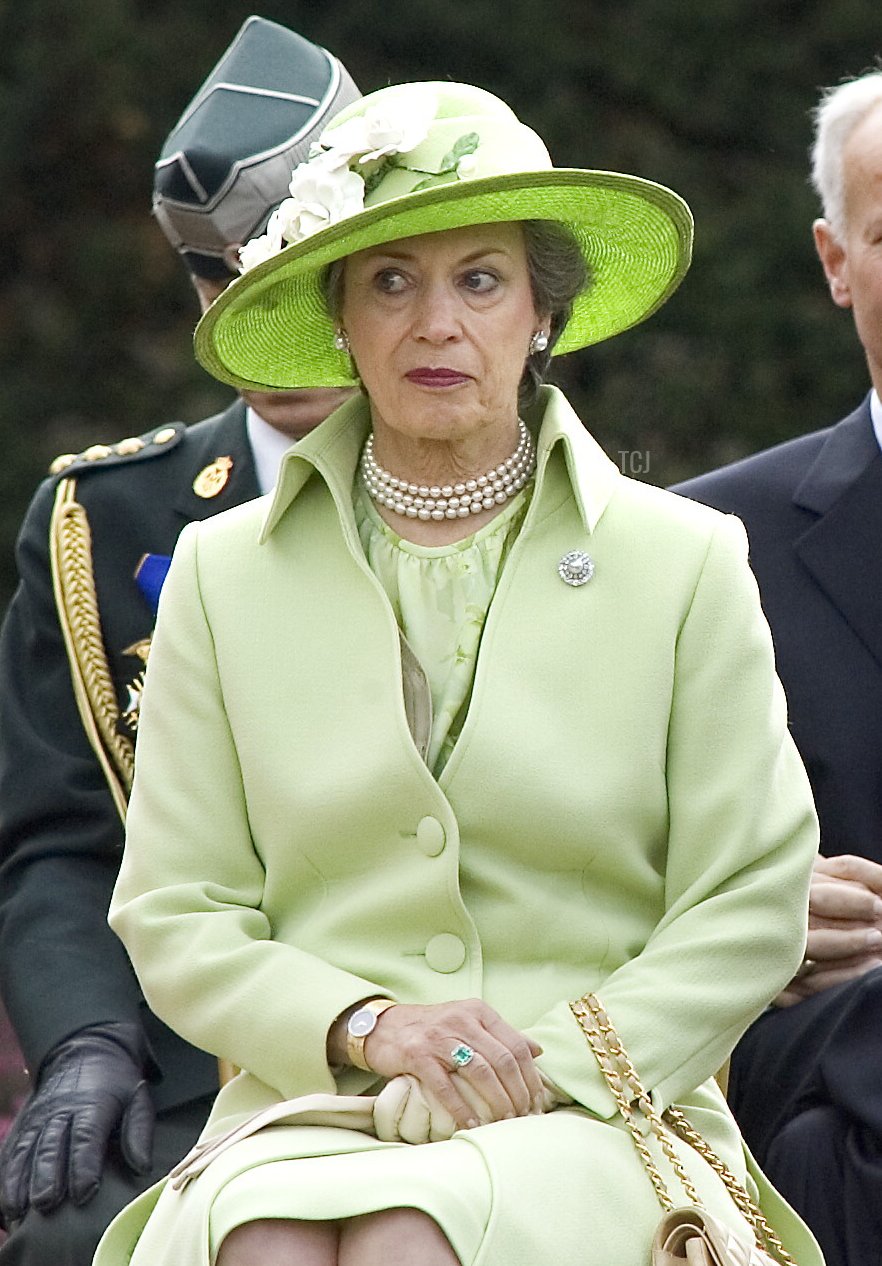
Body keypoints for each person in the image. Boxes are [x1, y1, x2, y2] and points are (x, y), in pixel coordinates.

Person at [93, 81, 822, 1266]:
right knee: (262, 1242)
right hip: (311, 1104)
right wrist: (367, 1026)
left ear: (542, 314)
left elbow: (748, 902)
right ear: (341, 314)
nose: (437, 324)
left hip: (602, 1106)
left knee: (407, 1239)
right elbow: (178, 909)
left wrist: (543, 1064)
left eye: (480, 280)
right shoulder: (223, 575)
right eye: (391, 280)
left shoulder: (685, 561)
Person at [0, 17, 359, 1266]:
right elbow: (56, 841)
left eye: (290, 265)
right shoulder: (105, 522)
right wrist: (85, 1044)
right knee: (65, 1236)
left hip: (462, 1026)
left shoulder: (524, 500)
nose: (249, 312)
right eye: (218, 279)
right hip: (192, 1066)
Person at [672, 69, 882, 1266]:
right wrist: (748, 911)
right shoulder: (706, 548)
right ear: (834, 260)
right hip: (821, 1132)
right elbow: (598, 865)